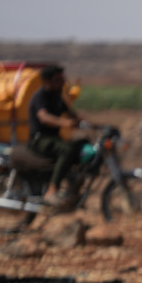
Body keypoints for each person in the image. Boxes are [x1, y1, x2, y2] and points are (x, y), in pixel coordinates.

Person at [27, 65, 87, 205]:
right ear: (48, 81)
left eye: (63, 79)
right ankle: (52, 190)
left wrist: (91, 124)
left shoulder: (58, 97)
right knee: (66, 150)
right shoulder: (40, 96)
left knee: (82, 145)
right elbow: (44, 117)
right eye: (58, 79)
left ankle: (73, 187)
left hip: (54, 139)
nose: (62, 82)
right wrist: (64, 123)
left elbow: (73, 115)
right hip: (39, 140)